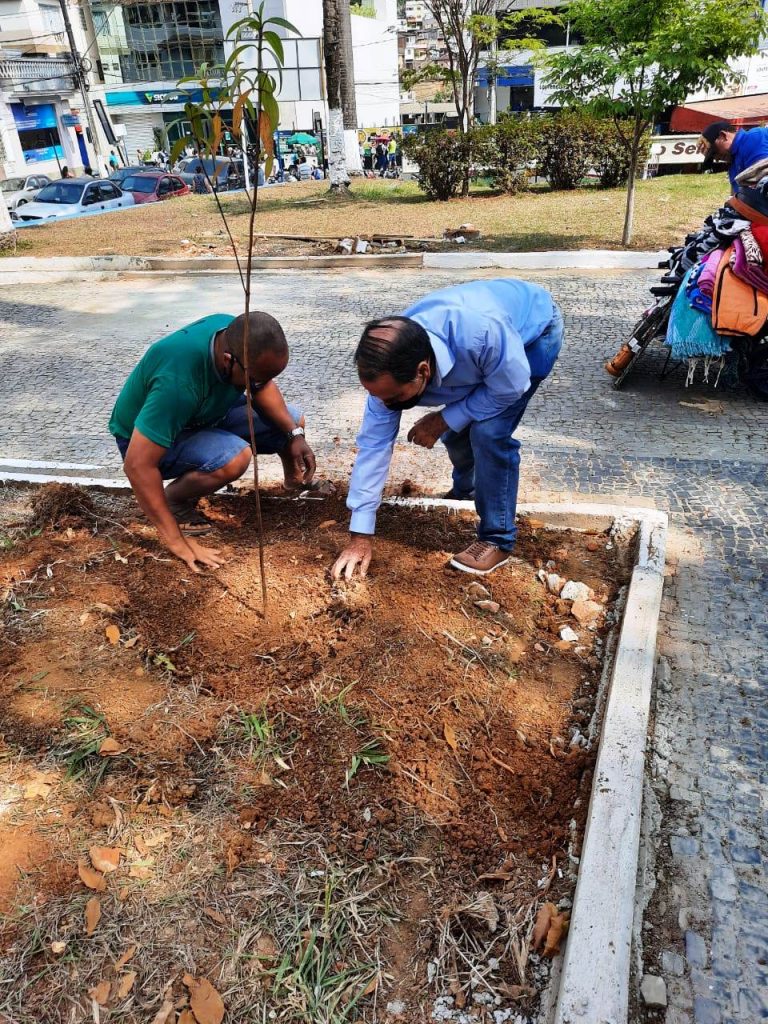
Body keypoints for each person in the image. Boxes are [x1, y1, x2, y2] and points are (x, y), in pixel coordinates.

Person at [331, 279, 564, 580]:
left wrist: (443, 418)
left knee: (488, 432)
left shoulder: (480, 334)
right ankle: (466, 492)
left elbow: (510, 387)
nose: (386, 406)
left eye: (394, 398)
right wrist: (360, 535)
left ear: (423, 371)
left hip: (533, 334)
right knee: (457, 431)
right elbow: (374, 447)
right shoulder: (389, 370)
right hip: (483, 354)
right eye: (378, 397)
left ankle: (497, 538)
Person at [109, 312, 318, 572]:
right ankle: (174, 500)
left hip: (203, 413)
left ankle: (294, 482)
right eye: (254, 379)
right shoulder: (177, 384)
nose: (259, 384)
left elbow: (262, 387)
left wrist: (293, 435)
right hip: (148, 438)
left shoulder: (233, 334)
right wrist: (177, 541)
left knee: (294, 418)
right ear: (228, 361)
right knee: (234, 456)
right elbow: (137, 465)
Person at [698, 121, 768, 190]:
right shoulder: (733, 165)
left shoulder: (754, 138)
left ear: (723, 136)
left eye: (714, 152)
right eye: (712, 157)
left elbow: (764, 179)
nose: (716, 159)